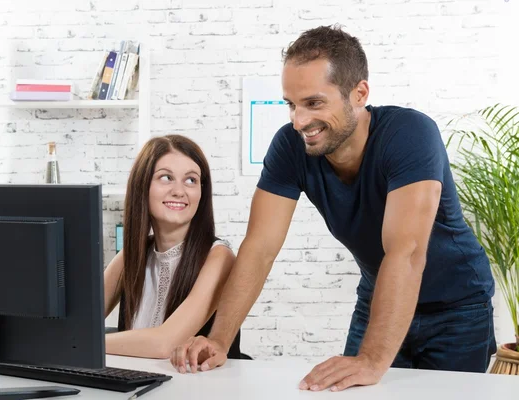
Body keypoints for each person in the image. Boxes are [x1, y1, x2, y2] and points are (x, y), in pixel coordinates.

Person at [171, 25, 496, 391]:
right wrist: (220, 341)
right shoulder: (290, 147)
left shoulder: (410, 134)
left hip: (457, 307)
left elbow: (406, 252)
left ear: (359, 94)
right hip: (378, 299)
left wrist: (372, 360)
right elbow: (259, 248)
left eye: (313, 103)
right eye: (290, 104)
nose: (298, 121)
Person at [104, 134, 245, 360]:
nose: (180, 191)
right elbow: (82, 323)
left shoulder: (219, 257)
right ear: (142, 185)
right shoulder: (130, 256)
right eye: (166, 177)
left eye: (191, 180)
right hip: (138, 383)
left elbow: (164, 344)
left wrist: (86, 345)